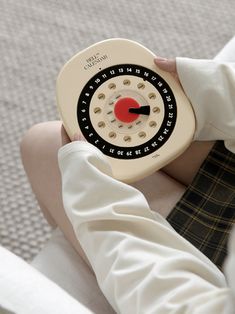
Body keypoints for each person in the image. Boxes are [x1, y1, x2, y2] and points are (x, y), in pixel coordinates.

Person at [20, 37, 235, 313]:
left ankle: (89, 267)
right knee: (62, 147)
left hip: (210, 287)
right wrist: (214, 89)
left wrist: (94, 202)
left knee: (46, 147)